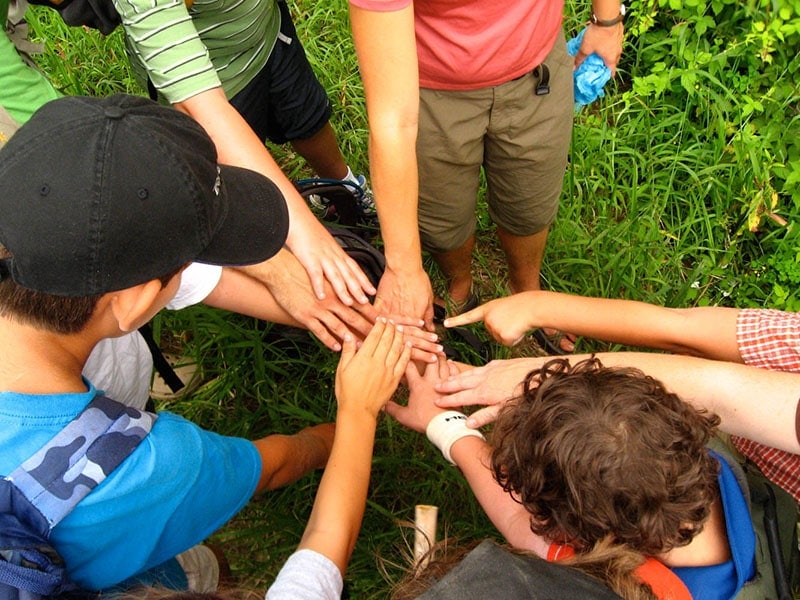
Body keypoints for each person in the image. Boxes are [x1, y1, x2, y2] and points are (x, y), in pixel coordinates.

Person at [0, 93, 336, 591]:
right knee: (192, 571)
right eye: (184, 266)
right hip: (119, 559)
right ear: (135, 302)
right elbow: (271, 466)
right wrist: (341, 427)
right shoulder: (148, 467)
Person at [347, 0, 624, 338]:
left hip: (537, 71)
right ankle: (459, 287)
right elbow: (394, 122)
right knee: (442, 219)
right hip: (430, 86)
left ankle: (527, 291)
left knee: (530, 205)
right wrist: (403, 269)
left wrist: (607, 21)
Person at [387, 356, 768, 598]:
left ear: (563, 527)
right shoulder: (687, 459)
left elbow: (518, 523)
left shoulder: (621, 580)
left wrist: (445, 425)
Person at [438, 291, 800, 504]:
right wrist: (538, 305)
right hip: (746, 450)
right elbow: (683, 328)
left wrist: (545, 377)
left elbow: (719, 392)